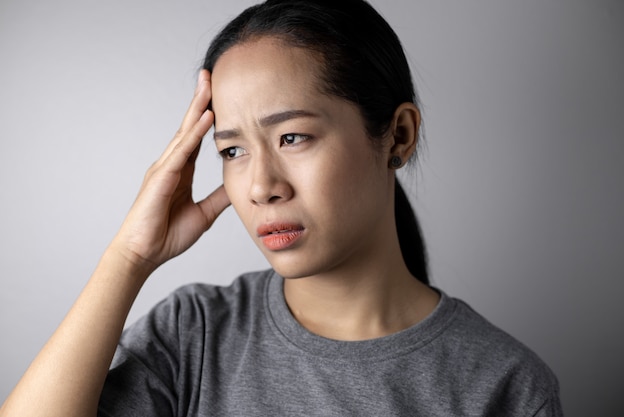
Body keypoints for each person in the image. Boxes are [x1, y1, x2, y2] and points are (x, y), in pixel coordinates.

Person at [0, 0, 563, 415]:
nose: (260, 186)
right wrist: (129, 257)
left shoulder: (503, 384)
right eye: (233, 150)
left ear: (398, 135)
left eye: (292, 137)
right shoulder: (194, 334)